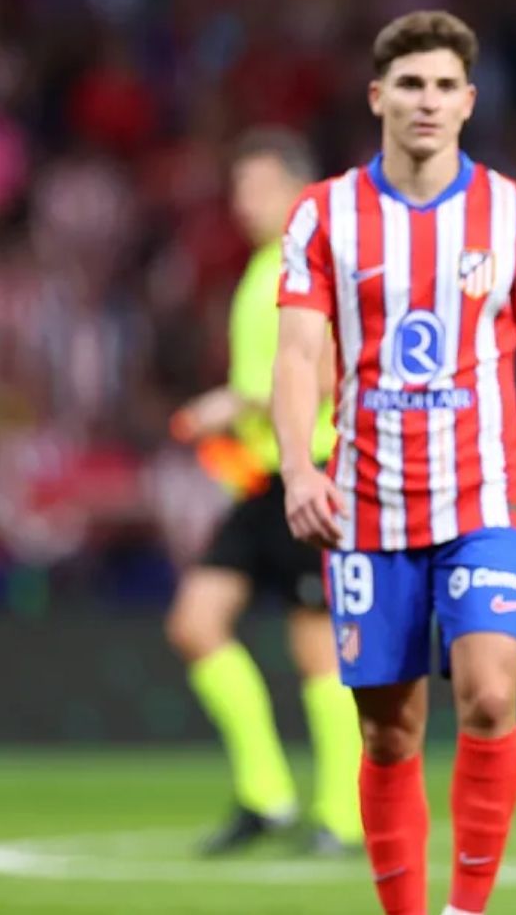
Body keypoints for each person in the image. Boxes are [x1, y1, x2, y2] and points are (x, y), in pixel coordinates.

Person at [272, 10, 516, 915]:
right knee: (388, 737)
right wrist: (301, 473)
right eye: (410, 84)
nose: (426, 100)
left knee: (491, 700)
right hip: (364, 513)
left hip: (485, 506)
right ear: (379, 97)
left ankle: (466, 910)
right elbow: (300, 353)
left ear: (468, 102)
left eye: (443, 86)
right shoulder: (323, 216)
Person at [165, 129, 363, 857]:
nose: (240, 203)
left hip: (315, 470)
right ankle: (267, 793)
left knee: (318, 649)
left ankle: (341, 817)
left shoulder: (321, 262)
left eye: (254, 188)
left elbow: (333, 364)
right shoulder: (260, 267)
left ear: (295, 190)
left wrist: (235, 403)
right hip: (260, 481)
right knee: (195, 623)